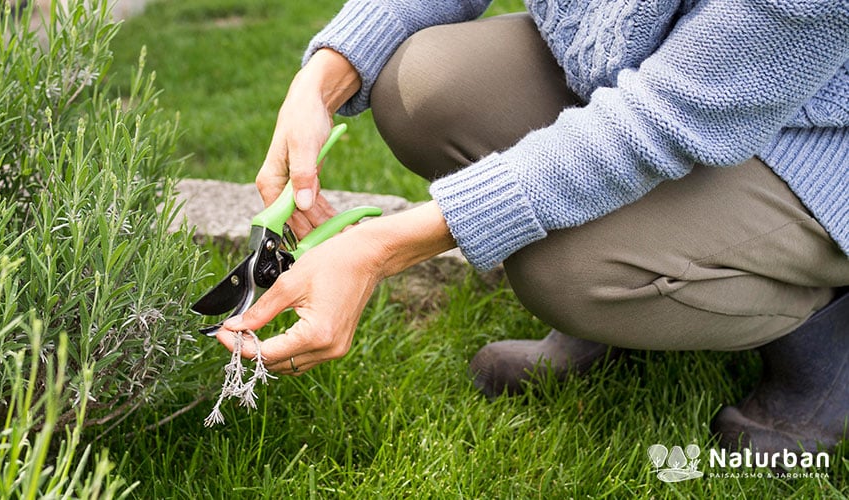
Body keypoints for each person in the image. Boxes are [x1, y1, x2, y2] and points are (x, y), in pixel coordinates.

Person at [217, 1, 849, 455]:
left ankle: (825, 331)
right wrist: (322, 79)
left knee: (566, 273)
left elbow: (656, 123)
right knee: (423, 86)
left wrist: (380, 249)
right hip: (641, 77)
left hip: (810, 151)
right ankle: (633, 293)